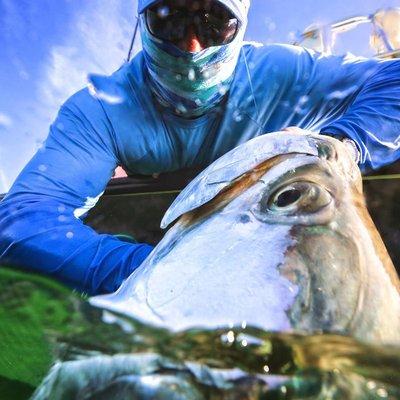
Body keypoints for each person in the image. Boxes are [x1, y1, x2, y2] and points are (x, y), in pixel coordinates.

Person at [0, 0, 399, 295]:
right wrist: (153, 273)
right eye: (170, 19)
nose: (192, 47)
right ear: (144, 21)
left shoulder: (277, 70)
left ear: (239, 25)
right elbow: (23, 221)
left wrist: (340, 148)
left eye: (214, 22)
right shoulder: (100, 109)